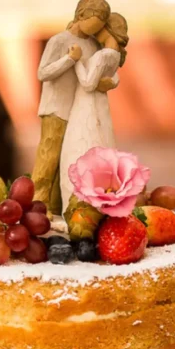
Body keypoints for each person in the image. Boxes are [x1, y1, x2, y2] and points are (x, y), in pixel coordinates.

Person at [31, 0, 110, 211]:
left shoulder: (93, 45)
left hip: (78, 111)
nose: (98, 28)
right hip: (56, 107)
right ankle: (38, 207)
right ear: (82, 15)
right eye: (96, 20)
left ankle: (56, 207)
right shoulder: (59, 40)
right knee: (49, 159)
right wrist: (70, 59)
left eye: (102, 24)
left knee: (66, 161)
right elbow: (42, 73)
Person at [58, 12, 128, 212]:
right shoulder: (113, 55)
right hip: (99, 104)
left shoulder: (103, 55)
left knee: (79, 146)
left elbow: (88, 83)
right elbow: (112, 79)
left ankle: (75, 207)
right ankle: (100, 203)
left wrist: (76, 60)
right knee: (100, 141)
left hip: (86, 105)